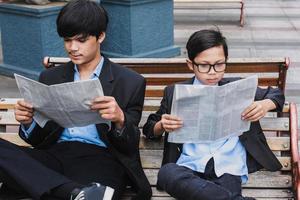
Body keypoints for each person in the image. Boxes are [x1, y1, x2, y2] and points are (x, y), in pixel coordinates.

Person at [0, 0, 152, 199]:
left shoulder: (130, 82)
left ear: (101, 36)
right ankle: (72, 192)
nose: (72, 48)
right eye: (67, 40)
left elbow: (129, 145)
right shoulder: (50, 77)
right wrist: (28, 122)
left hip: (100, 159)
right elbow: (38, 141)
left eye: (81, 40)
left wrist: (120, 120)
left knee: (100, 194)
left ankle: (58, 189)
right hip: (54, 155)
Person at [143, 29, 285, 200]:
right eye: (204, 65)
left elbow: (276, 94)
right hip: (190, 165)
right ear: (191, 64)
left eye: (219, 64)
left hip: (228, 165)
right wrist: (161, 125)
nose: (212, 72)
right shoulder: (175, 92)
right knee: (166, 173)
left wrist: (264, 104)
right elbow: (149, 128)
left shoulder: (237, 87)